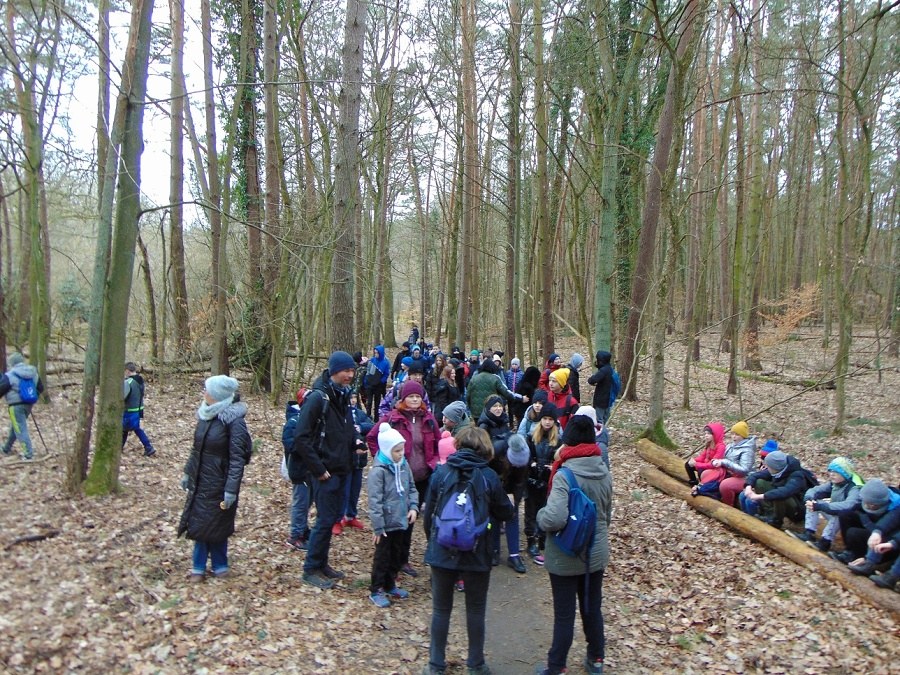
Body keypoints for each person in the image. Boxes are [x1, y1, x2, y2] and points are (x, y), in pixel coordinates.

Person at [422, 426, 515, 675]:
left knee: (441, 610)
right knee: (475, 609)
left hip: (442, 550)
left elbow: (429, 515)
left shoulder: (441, 473)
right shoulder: (488, 476)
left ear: (459, 444)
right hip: (477, 551)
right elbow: (506, 513)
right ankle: (475, 665)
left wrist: (434, 542)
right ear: (485, 448)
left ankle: (435, 665)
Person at [535, 414, 612, 675]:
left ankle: (556, 666)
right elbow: (606, 515)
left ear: (568, 441)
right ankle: (596, 659)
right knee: (592, 609)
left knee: (565, 614)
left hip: (565, 554)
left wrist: (540, 516)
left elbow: (554, 518)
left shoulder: (564, 475)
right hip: (595, 554)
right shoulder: (603, 471)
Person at [294, 351, 359, 590]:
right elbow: (301, 438)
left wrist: (356, 444)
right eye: (346, 371)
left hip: (342, 468)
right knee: (324, 520)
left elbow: (346, 429)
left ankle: (321, 563)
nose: (350, 375)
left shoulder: (343, 395)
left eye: (352, 371)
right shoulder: (318, 398)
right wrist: (319, 469)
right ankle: (311, 568)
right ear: (334, 371)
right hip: (325, 472)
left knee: (331, 519)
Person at [178, 375, 251, 582]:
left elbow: (238, 459)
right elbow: (196, 449)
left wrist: (231, 489)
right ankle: (198, 567)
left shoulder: (235, 422)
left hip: (220, 482)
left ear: (218, 395)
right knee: (200, 522)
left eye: (208, 390)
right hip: (201, 480)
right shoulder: (205, 415)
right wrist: (188, 472)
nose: (204, 393)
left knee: (217, 524)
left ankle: (219, 565)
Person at [368, 380, 440, 578]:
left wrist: (434, 462)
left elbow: (438, 442)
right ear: (403, 399)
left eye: (418, 396)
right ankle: (391, 562)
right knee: (397, 520)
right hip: (397, 477)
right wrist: (382, 459)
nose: (415, 400)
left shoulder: (429, 419)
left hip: (422, 477)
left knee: (411, 518)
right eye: (411, 396)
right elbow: (372, 437)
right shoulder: (393, 418)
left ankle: (403, 560)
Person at [367, 423, 419, 608]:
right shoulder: (378, 472)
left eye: (402, 449)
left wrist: (413, 507)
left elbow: (411, 488)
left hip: (401, 519)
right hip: (386, 523)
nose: (401, 454)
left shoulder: (404, 465)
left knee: (396, 554)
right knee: (383, 557)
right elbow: (375, 501)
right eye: (397, 451)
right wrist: (378, 527)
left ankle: (390, 584)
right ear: (387, 450)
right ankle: (376, 589)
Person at [478, 395, 527, 573]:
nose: (498, 409)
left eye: (500, 406)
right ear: (488, 409)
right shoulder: (483, 427)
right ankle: (494, 550)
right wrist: (504, 442)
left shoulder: (505, 423)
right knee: (493, 516)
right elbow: (485, 453)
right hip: (492, 478)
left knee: (511, 514)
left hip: (509, 477)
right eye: (495, 406)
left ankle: (514, 555)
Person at [786, 457, 864, 553]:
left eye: (836, 472)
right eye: (830, 471)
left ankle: (825, 542)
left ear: (845, 474)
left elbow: (848, 505)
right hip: (834, 512)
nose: (832, 474)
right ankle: (809, 533)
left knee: (838, 514)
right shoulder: (835, 483)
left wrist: (822, 507)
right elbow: (816, 490)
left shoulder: (854, 488)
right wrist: (809, 498)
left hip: (849, 522)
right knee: (813, 502)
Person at [831, 479, 900, 574]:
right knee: (846, 514)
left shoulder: (896, 505)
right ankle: (850, 552)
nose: (869, 506)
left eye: (872, 505)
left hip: (888, 542)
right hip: (876, 530)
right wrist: (819, 506)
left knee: (854, 533)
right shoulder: (875, 494)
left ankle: (864, 560)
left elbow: (888, 526)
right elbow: (853, 507)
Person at [739, 450, 816, 528]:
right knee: (760, 482)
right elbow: (755, 475)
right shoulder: (779, 469)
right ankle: (768, 512)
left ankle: (776, 521)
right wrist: (748, 487)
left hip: (798, 509)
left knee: (779, 495)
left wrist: (758, 496)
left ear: (775, 467)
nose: (766, 468)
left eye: (768, 466)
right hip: (784, 502)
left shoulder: (797, 475)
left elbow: (785, 491)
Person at [333, 392, 374, 535]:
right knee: (343, 490)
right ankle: (337, 519)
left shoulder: (359, 414)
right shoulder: (339, 414)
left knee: (355, 490)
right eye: (350, 398)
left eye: (355, 397)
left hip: (359, 460)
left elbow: (371, 425)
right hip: (345, 459)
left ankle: (351, 515)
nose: (353, 400)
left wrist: (360, 428)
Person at [525, 403, 560, 563]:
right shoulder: (531, 437)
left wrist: (553, 467)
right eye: (545, 418)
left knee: (545, 509)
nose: (547, 422)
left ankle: (542, 538)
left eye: (550, 419)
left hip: (548, 480)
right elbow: (526, 457)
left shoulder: (558, 440)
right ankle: (531, 541)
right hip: (532, 479)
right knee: (531, 511)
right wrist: (532, 464)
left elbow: (559, 460)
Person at [0, 352, 44, 460]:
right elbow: (40, 388)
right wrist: (30, 398)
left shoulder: (9, 375)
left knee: (20, 428)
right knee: (16, 426)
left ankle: (28, 454)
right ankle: (6, 448)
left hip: (15, 406)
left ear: (12, 363)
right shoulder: (33, 372)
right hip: (29, 404)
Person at [711, 421, 758, 507]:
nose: (734, 436)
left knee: (725, 485)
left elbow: (744, 470)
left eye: (737, 434)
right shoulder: (730, 446)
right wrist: (716, 460)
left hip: (745, 478)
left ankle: (728, 506)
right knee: (708, 474)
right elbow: (723, 458)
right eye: (732, 434)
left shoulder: (747, 450)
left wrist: (724, 462)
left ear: (743, 436)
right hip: (730, 472)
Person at [122, 362, 155, 457]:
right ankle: (119, 447)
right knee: (125, 430)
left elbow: (122, 397)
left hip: (129, 410)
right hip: (138, 410)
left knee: (132, 429)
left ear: (127, 371)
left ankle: (148, 447)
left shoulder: (128, 382)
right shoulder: (140, 381)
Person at [684, 423, 726, 488]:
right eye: (705, 433)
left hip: (714, 469)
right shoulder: (709, 444)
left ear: (715, 434)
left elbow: (712, 464)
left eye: (709, 434)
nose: (706, 435)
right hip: (705, 465)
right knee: (688, 464)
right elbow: (702, 457)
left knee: (701, 471)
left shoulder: (721, 447)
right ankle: (693, 481)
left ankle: (702, 486)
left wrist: (697, 464)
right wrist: (694, 461)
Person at [364, 345, 391, 419]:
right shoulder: (372, 360)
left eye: (377, 353)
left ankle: (376, 418)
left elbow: (386, 374)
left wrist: (381, 381)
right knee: (369, 402)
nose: (376, 354)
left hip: (378, 386)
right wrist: (366, 380)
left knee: (377, 402)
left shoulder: (385, 363)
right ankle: (368, 417)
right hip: (370, 384)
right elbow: (368, 371)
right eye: (375, 353)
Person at [587, 351, 613, 425]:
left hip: (601, 399)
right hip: (609, 399)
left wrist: (591, 379)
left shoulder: (603, 371)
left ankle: (600, 431)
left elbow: (592, 380)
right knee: (605, 419)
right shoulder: (610, 369)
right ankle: (604, 430)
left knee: (599, 420)